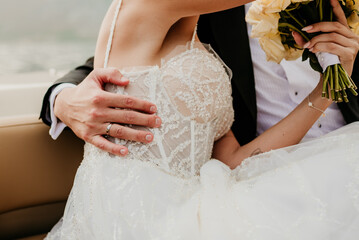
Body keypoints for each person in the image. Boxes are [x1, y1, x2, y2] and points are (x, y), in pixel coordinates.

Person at [44, 0, 359, 239]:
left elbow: (234, 160)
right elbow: (96, 68)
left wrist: (328, 87)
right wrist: (62, 98)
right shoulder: (147, 7)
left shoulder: (204, 51)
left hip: (209, 200)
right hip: (135, 218)